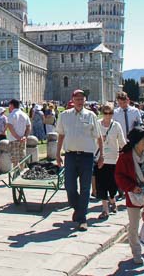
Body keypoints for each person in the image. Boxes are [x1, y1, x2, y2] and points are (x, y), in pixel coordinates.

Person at [55, 89, 104, 230]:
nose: (79, 101)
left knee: (85, 187)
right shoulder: (64, 116)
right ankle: (78, 208)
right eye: (77, 98)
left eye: (82, 99)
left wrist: (101, 155)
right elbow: (61, 136)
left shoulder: (91, 115)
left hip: (87, 156)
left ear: (85, 100)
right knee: (69, 186)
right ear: (72, 99)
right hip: (70, 155)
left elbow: (98, 136)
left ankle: (82, 218)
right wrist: (58, 154)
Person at [115, 125, 144, 264]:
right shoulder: (125, 157)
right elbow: (119, 176)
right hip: (133, 196)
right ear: (136, 141)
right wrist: (131, 187)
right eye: (143, 139)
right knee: (133, 225)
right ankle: (136, 252)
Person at [95, 102, 126, 218]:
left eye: (110, 113)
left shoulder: (116, 125)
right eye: (106, 113)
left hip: (113, 159)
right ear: (102, 113)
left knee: (112, 185)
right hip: (100, 158)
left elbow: (122, 142)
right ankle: (105, 209)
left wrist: (129, 151)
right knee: (101, 184)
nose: (108, 115)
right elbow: (91, 139)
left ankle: (112, 199)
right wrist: (98, 139)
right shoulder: (97, 125)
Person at [6, 98, 31, 168]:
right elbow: (29, 126)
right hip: (22, 139)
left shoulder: (12, 114)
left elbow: (10, 127)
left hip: (14, 139)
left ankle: (15, 175)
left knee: (15, 159)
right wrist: (25, 136)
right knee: (22, 157)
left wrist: (17, 137)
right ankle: (22, 171)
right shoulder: (24, 114)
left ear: (11, 105)